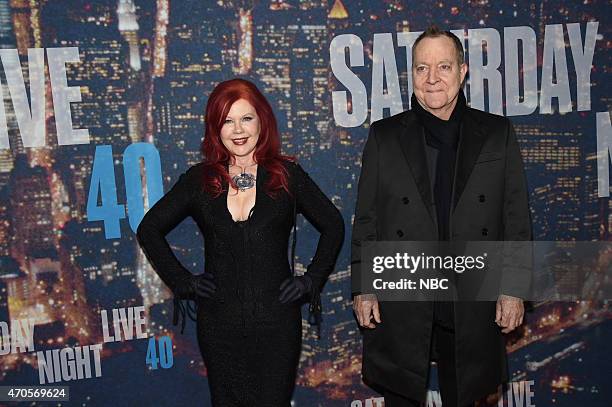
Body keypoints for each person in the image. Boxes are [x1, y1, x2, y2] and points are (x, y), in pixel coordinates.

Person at [351, 26, 531, 407]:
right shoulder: (384, 136)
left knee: (470, 397)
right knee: (401, 396)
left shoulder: (497, 133)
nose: (432, 78)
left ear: (463, 71)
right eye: (421, 68)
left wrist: (514, 289)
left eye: (444, 66)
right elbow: (366, 218)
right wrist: (364, 285)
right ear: (411, 74)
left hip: (471, 300)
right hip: (404, 297)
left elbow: (515, 217)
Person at [136, 78, 344, 406]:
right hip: (219, 327)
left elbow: (333, 225)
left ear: (262, 120)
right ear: (215, 128)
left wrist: (311, 281)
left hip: (277, 326)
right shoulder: (199, 180)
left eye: (246, 118)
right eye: (227, 121)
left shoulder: (287, 176)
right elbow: (149, 229)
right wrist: (182, 281)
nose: (238, 129)